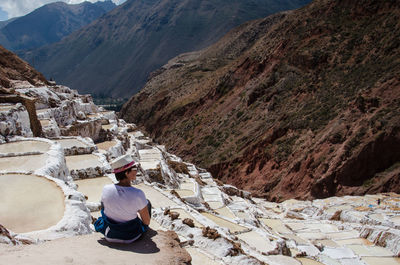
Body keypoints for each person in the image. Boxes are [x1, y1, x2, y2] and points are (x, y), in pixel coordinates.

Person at [94, 154, 151, 243]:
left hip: (110, 235)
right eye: (134, 169)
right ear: (126, 172)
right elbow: (146, 222)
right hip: (131, 237)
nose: (136, 172)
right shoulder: (138, 194)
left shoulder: (106, 189)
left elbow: (104, 209)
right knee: (147, 203)